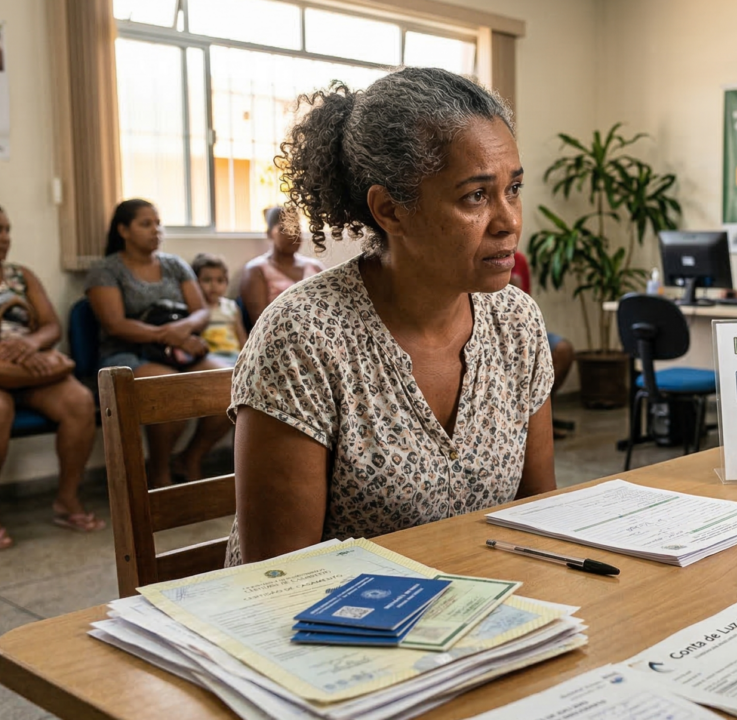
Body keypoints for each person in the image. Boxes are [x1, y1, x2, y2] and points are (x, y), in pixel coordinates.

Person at [228, 67, 556, 565]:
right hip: (334, 628)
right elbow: (277, 580)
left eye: (514, 188)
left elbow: (538, 515)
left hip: (484, 616)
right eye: (475, 196)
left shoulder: (516, 321)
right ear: (391, 211)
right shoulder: (303, 336)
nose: (509, 221)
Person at [85, 200, 233, 487]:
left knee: (230, 383)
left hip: (180, 348)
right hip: (128, 352)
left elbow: (201, 310)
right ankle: (160, 471)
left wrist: (180, 331)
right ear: (123, 230)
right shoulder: (106, 270)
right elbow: (115, 324)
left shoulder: (174, 265)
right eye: (145, 224)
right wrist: (169, 334)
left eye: (157, 223)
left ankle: (190, 458)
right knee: (170, 391)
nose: (156, 230)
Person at [0, 203, 101, 549]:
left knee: (79, 401)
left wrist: (29, 343)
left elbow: (51, 325)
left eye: (7, 229)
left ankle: (66, 499)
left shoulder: (21, 275)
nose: (5, 237)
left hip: (32, 365)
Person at [238, 206, 324, 327]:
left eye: (296, 229)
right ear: (269, 234)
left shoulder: (315, 267)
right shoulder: (256, 270)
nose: (292, 234)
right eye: (284, 229)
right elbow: (261, 323)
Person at [510, 251, 575, 409]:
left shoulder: (519, 259)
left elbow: (525, 302)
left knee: (563, 350)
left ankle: (542, 411)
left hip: (523, 326)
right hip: (497, 329)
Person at [191, 253, 247, 365]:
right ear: (195, 283)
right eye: (207, 280)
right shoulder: (195, 309)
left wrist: (246, 357)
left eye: (220, 281)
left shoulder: (231, 307)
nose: (214, 285)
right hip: (210, 359)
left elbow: (241, 337)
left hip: (234, 356)